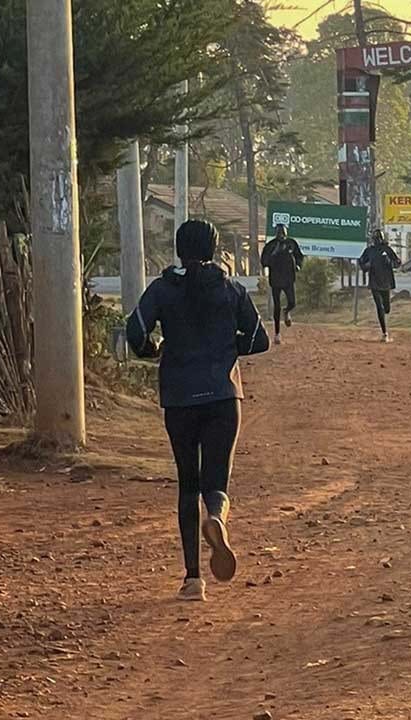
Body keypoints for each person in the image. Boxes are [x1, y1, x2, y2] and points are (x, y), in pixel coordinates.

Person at [127, 220, 270, 601]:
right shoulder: (230, 288)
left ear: (178, 249)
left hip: (179, 398)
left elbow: (134, 333)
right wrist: (225, 347)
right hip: (224, 396)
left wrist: (154, 350)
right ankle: (217, 518)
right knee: (217, 481)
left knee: (187, 484)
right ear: (214, 248)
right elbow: (259, 339)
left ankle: (193, 580)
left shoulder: (161, 290)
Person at [258, 223, 303, 345]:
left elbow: (299, 256)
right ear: (276, 233)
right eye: (279, 232)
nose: (281, 234)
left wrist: (298, 265)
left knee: (292, 302)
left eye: (283, 232)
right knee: (276, 306)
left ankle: (287, 311)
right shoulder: (270, 246)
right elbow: (264, 261)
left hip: (289, 278)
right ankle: (277, 333)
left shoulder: (291, 243)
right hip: (276, 279)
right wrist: (274, 253)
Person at [358, 229, 402, 342]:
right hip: (374, 283)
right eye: (375, 238)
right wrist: (367, 266)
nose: (377, 240)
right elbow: (361, 262)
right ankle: (384, 333)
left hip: (386, 282)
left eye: (378, 238)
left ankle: (385, 317)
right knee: (379, 307)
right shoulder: (369, 251)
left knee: (386, 308)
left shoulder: (387, 250)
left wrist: (390, 262)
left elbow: (397, 263)